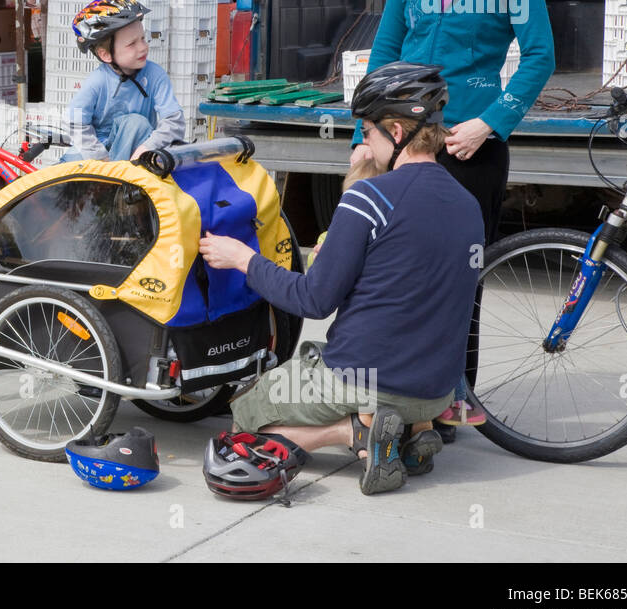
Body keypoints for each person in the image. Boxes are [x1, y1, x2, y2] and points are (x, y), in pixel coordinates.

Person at [201, 63, 483, 494]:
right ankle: (409, 432)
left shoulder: (367, 198)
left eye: (367, 133)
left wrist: (243, 259)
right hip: (439, 391)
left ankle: (355, 432)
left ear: (395, 130)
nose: (365, 145)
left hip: (365, 378)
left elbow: (313, 300)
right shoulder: (467, 203)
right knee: (328, 355)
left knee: (246, 413)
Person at [352, 0, 555, 439]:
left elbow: (539, 58)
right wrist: (365, 135)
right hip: (401, 142)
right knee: (396, 270)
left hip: (471, 150)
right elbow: (387, 47)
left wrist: (489, 123)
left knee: (461, 276)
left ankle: (448, 400)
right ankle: (399, 396)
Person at [62, 0, 185, 161]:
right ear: (105, 55)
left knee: (137, 124)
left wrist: (147, 147)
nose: (143, 47)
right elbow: (75, 122)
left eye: (143, 39)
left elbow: (174, 121)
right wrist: (102, 160)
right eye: (131, 44)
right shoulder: (97, 82)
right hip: (93, 157)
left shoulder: (155, 75)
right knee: (66, 170)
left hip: (135, 155)